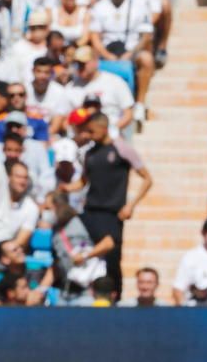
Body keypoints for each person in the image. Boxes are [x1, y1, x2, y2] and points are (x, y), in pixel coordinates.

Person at [62, 112, 153, 297]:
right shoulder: (89, 153)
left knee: (112, 258)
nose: (88, 134)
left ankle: (115, 297)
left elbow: (147, 179)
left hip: (112, 213)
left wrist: (131, 205)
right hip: (90, 212)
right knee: (89, 258)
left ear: (103, 128)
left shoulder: (121, 149)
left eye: (91, 130)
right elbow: (83, 182)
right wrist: (66, 188)